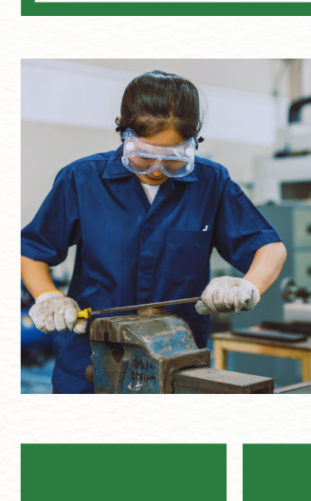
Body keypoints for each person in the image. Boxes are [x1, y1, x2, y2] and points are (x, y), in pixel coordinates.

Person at [21, 70, 287, 394]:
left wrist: (247, 286)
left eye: (173, 159)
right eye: (144, 155)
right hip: (88, 365)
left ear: (194, 143)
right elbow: (32, 250)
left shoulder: (211, 183)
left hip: (177, 362)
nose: (157, 170)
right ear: (123, 129)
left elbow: (270, 248)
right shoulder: (81, 180)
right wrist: (49, 297)